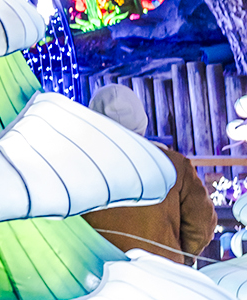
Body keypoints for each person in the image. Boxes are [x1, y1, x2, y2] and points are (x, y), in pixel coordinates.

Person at [81, 83, 214, 265]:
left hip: (101, 279)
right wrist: (178, 258)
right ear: (142, 120)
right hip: (164, 278)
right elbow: (202, 224)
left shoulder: (79, 168)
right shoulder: (174, 164)